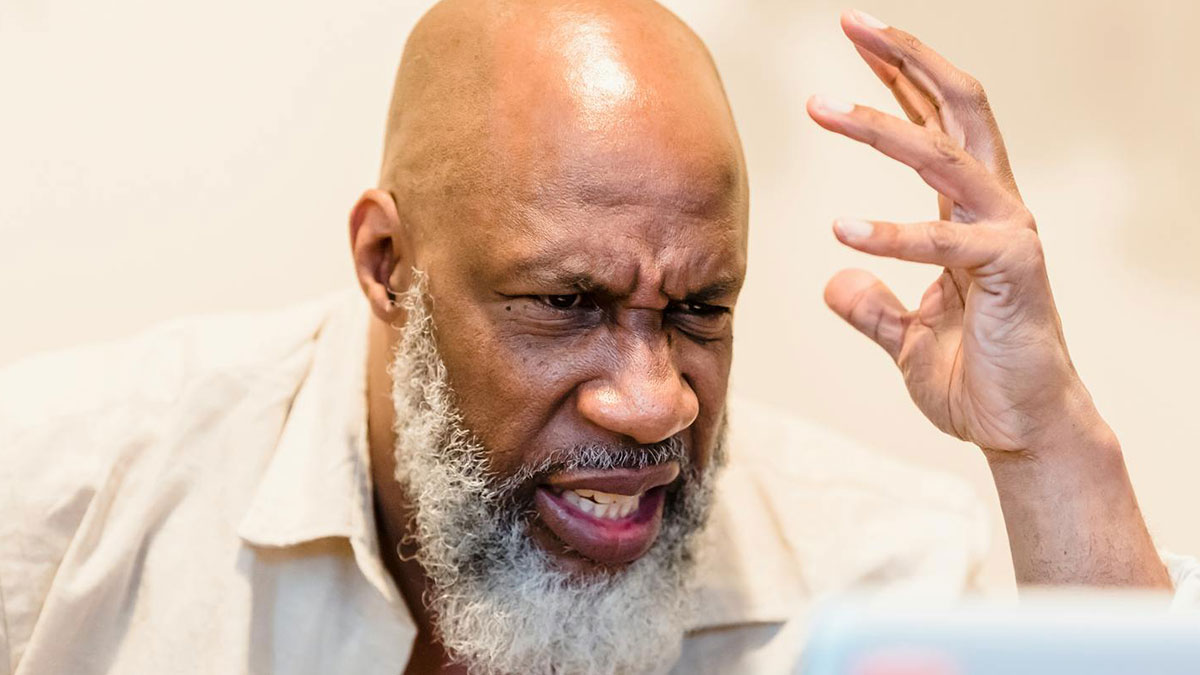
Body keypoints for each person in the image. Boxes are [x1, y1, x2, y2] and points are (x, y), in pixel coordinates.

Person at [0, 1, 1196, 673]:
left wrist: (1046, 443)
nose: (654, 402)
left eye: (697, 313)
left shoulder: (876, 581)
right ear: (387, 266)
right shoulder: (66, 494)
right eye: (566, 305)